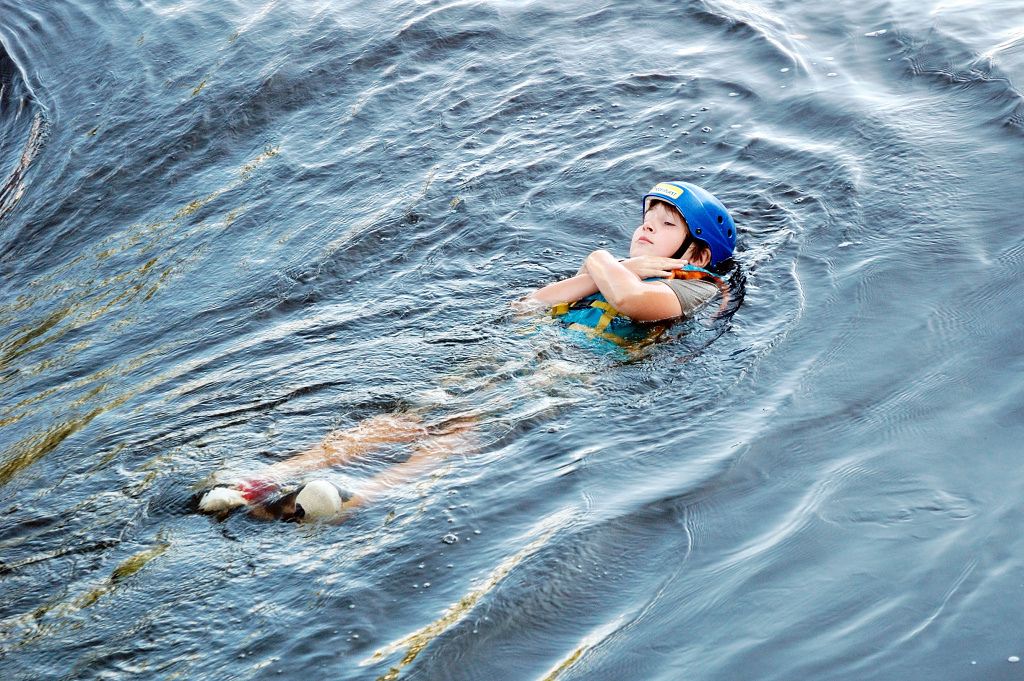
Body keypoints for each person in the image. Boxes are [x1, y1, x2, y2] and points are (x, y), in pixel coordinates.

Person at [198, 180, 737, 522]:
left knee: (459, 433)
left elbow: (634, 302)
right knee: (405, 419)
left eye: (666, 224)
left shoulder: (695, 287)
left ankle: (352, 501)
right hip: (522, 348)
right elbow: (526, 307)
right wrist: (604, 269)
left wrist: (602, 260)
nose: (647, 227)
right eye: (645, 219)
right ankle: (267, 479)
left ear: (696, 253)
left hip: (571, 369)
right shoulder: (615, 272)